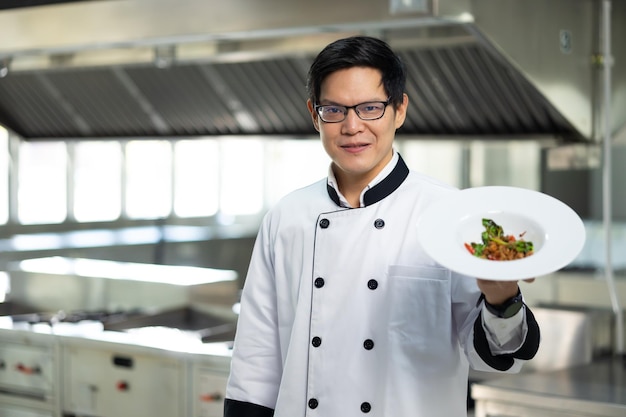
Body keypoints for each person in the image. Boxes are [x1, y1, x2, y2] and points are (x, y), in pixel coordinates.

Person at [224, 35, 540, 417]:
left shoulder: (451, 215)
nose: (352, 126)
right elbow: (256, 363)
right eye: (334, 110)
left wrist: (502, 299)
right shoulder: (287, 218)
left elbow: (493, 355)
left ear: (400, 109)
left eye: (370, 108)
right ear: (314, 114)